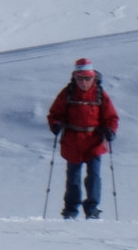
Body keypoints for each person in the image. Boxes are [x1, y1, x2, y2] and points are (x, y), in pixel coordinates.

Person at [47, 58, 119, 220]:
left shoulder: (100, 94)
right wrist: (56, 124)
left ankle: (92, 209)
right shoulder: (67, 93)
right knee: (73, 178)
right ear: (75, 77)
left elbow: (111, 117)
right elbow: (54, 114)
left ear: (93, 77)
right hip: (72, 142)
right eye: (80, 78)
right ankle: (71, 210)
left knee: (93, 176)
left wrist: (110, 130)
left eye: (87, 78)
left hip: (94, 142)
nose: (84, 82)